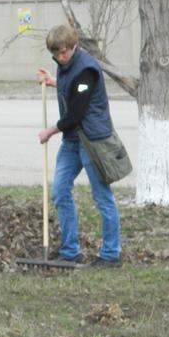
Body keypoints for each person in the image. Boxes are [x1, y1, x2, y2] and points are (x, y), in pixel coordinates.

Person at [36, 25, 122, 268]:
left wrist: (48, 132)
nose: (60, 58)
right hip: (72, 141)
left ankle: (111, 255)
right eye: (56, 54)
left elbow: (75, 113)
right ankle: (70, 250)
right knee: (60, 191)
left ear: (74, 46)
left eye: (64, 52)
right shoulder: (65, 65)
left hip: (92, 141)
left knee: (102, 197)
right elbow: (71, 88)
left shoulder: (87, 70)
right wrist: (52, 81)